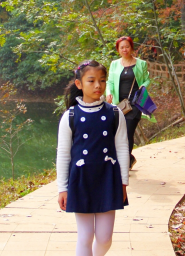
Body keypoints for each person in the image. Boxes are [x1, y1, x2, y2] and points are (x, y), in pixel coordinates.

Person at [57, 60, 129, 256]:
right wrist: (62, 188)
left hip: (108, 180)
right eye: (91, 81)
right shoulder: (70, 116)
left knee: (105, 239)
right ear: (79, 84)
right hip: (81, 181)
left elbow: (122, 148)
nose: (98, 85)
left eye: (102, 80)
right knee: (85, 236)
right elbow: (63, 154)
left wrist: (123, 182)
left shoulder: (115, 113)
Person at [106, 36, 151, 170]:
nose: (124, 49)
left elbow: (147, 79)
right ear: (118, 50)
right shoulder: (114, 64)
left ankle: (124, 163)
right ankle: (129, 158)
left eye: (127, 46)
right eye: (122, 47)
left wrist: (143, 86)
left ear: (131, 48)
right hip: (119, 104)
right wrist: (108, 93)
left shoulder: (141, 63)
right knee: (118, 132)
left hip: (135, 103)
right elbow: (110, 81)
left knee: (128, 132)